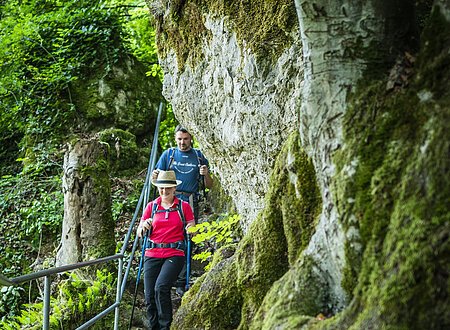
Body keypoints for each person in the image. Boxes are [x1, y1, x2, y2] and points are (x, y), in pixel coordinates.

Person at [152, 125, 212, 296]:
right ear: (175, 138)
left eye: (185, 139)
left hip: (190, 201)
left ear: (191, 138)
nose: (182, 142)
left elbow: (209, 185)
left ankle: (180, 282)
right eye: (179, 139)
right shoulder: (169, 155)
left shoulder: (199, 156)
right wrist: (154, 177)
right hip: (168, 199)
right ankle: (164, 276)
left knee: (187, 239)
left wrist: (205, 174)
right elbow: (155, 181)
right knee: (164, 235)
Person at [137, 170, 195, 330]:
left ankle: (165, 327)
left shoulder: (184, 207)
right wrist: (144, 226)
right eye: (161, 188)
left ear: (174, 188)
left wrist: (191, 228)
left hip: (174, 254)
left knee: (161, 287)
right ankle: (153, 326)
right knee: (149, 296)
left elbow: (193, 229)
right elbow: (139, 231)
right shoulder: (151, 207)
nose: (164, 191)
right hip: (152, 253)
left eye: (168, 188)